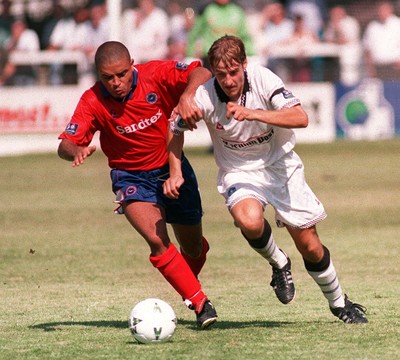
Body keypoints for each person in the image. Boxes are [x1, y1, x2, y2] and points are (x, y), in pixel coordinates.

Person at [165, 35, 368, 324]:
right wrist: (175, 171)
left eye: (234, 72)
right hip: (239, 171)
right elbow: (175, 128)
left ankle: (339, 303)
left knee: (309, 245)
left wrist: (252, 113)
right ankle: (279, 262)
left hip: (281, 166)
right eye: (221, 74)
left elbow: (300, 117)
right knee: (248, 220)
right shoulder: (205, 96)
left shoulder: (262, 78)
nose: (228, 80)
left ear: (244, 65)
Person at [57, 41, 217, 329]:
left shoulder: (155, 73)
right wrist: (76, 150)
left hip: (173, 167)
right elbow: (66, 144)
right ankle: (200, 302)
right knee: (157, 241)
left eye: (121, 74)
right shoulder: (92, 99)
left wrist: (187, 95)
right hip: (129, 177)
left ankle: (187, 287)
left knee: (193, 248)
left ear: (132, 64)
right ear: (98, 74)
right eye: (107, 77)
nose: (116, 83)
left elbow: (202, 72)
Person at [185, 0, 254, 68]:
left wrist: (251, 54)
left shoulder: (237, 11)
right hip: (211, 60)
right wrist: (190, 55)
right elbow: (194, 33)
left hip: (233, 59)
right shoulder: (207, 10)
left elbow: (245, 35)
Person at [362, 1, 400, 80]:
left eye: (384, 10)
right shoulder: (372, 26)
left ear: (390, 10)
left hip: (395, 67)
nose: (382, 13)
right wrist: (370, 69)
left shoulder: (397, 24)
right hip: (378, 68)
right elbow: (367, 49)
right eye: (380, 10)